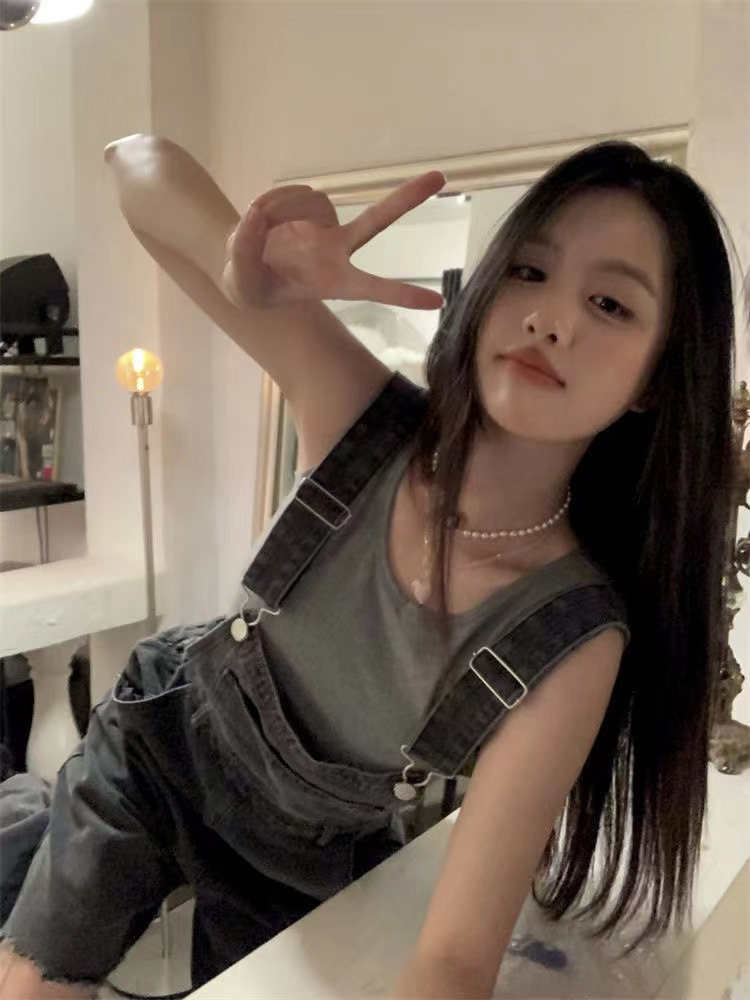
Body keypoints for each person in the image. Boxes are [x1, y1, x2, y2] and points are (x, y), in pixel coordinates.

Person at [0, 133, 737, 1000]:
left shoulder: (571, 634)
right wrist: (244, 262)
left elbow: (455, 959)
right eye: (530, 272)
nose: (550, 319)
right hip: (162, 749)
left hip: (308, 857)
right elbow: (134, 166)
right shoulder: (366, 417)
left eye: (610, 304)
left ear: (656, 380)